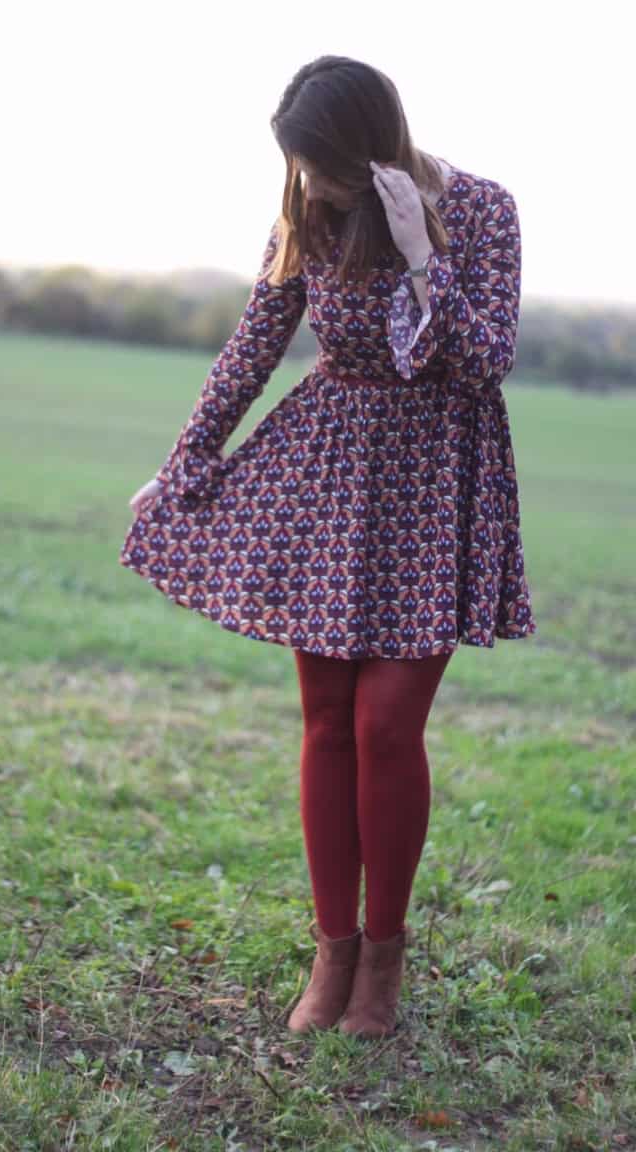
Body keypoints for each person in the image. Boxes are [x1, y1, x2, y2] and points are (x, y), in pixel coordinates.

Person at [119, 55, 537, 1039]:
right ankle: (332, 951)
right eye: (300, 169)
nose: (310, 186)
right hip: (327, 481)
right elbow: (253, 344)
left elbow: (486, 362)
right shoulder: (305, 215)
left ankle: (383, 964)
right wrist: (183, 463)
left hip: (437, 483)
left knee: (389, 727)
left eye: (323, 167)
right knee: (325, 720)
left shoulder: (486, 211)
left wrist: (416, 251)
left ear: (370, 143)